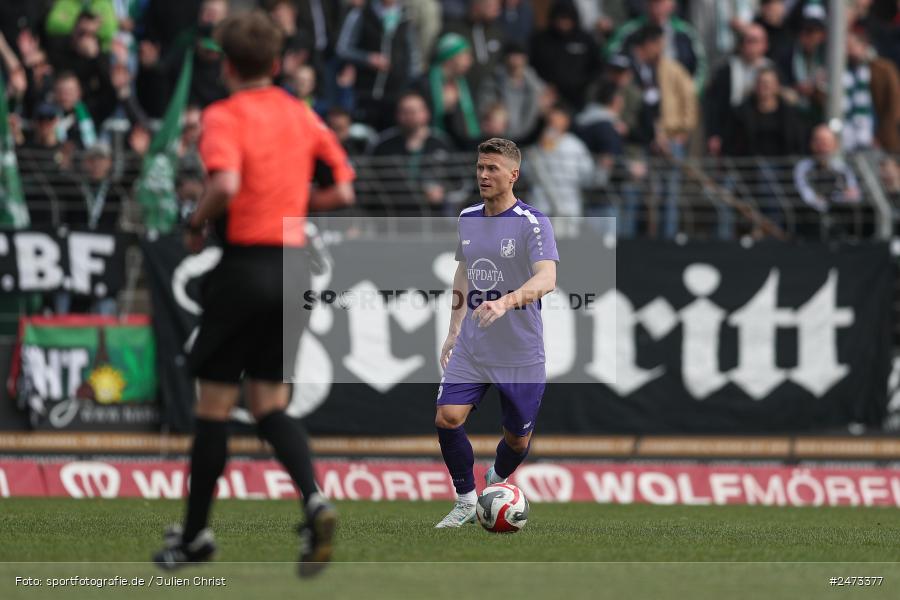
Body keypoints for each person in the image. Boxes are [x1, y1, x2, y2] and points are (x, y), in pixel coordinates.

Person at [152, 11, 356, 576]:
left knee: (213, 409)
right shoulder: (302, 114)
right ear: (275, 63)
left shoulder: (224, 114)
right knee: (270, 405)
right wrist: (295, 208)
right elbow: (342, 189)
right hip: (294, 268)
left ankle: (194, 537)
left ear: (223, 64)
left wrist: (196, 223)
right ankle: (314, 499)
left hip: (244, 266)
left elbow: (225, 184)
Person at [434, 137, 558, 528]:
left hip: (520, 350)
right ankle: (466, 499)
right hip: (474, 344)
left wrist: (505, 302)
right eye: (480, 167)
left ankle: (495, 482)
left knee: (518, 441)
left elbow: (548, 277)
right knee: (447, 418)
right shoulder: (468, 216)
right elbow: (464, 271)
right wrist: (454, 329)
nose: (483, 175)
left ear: (513, 175)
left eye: (492, 169)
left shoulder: (532, 222)